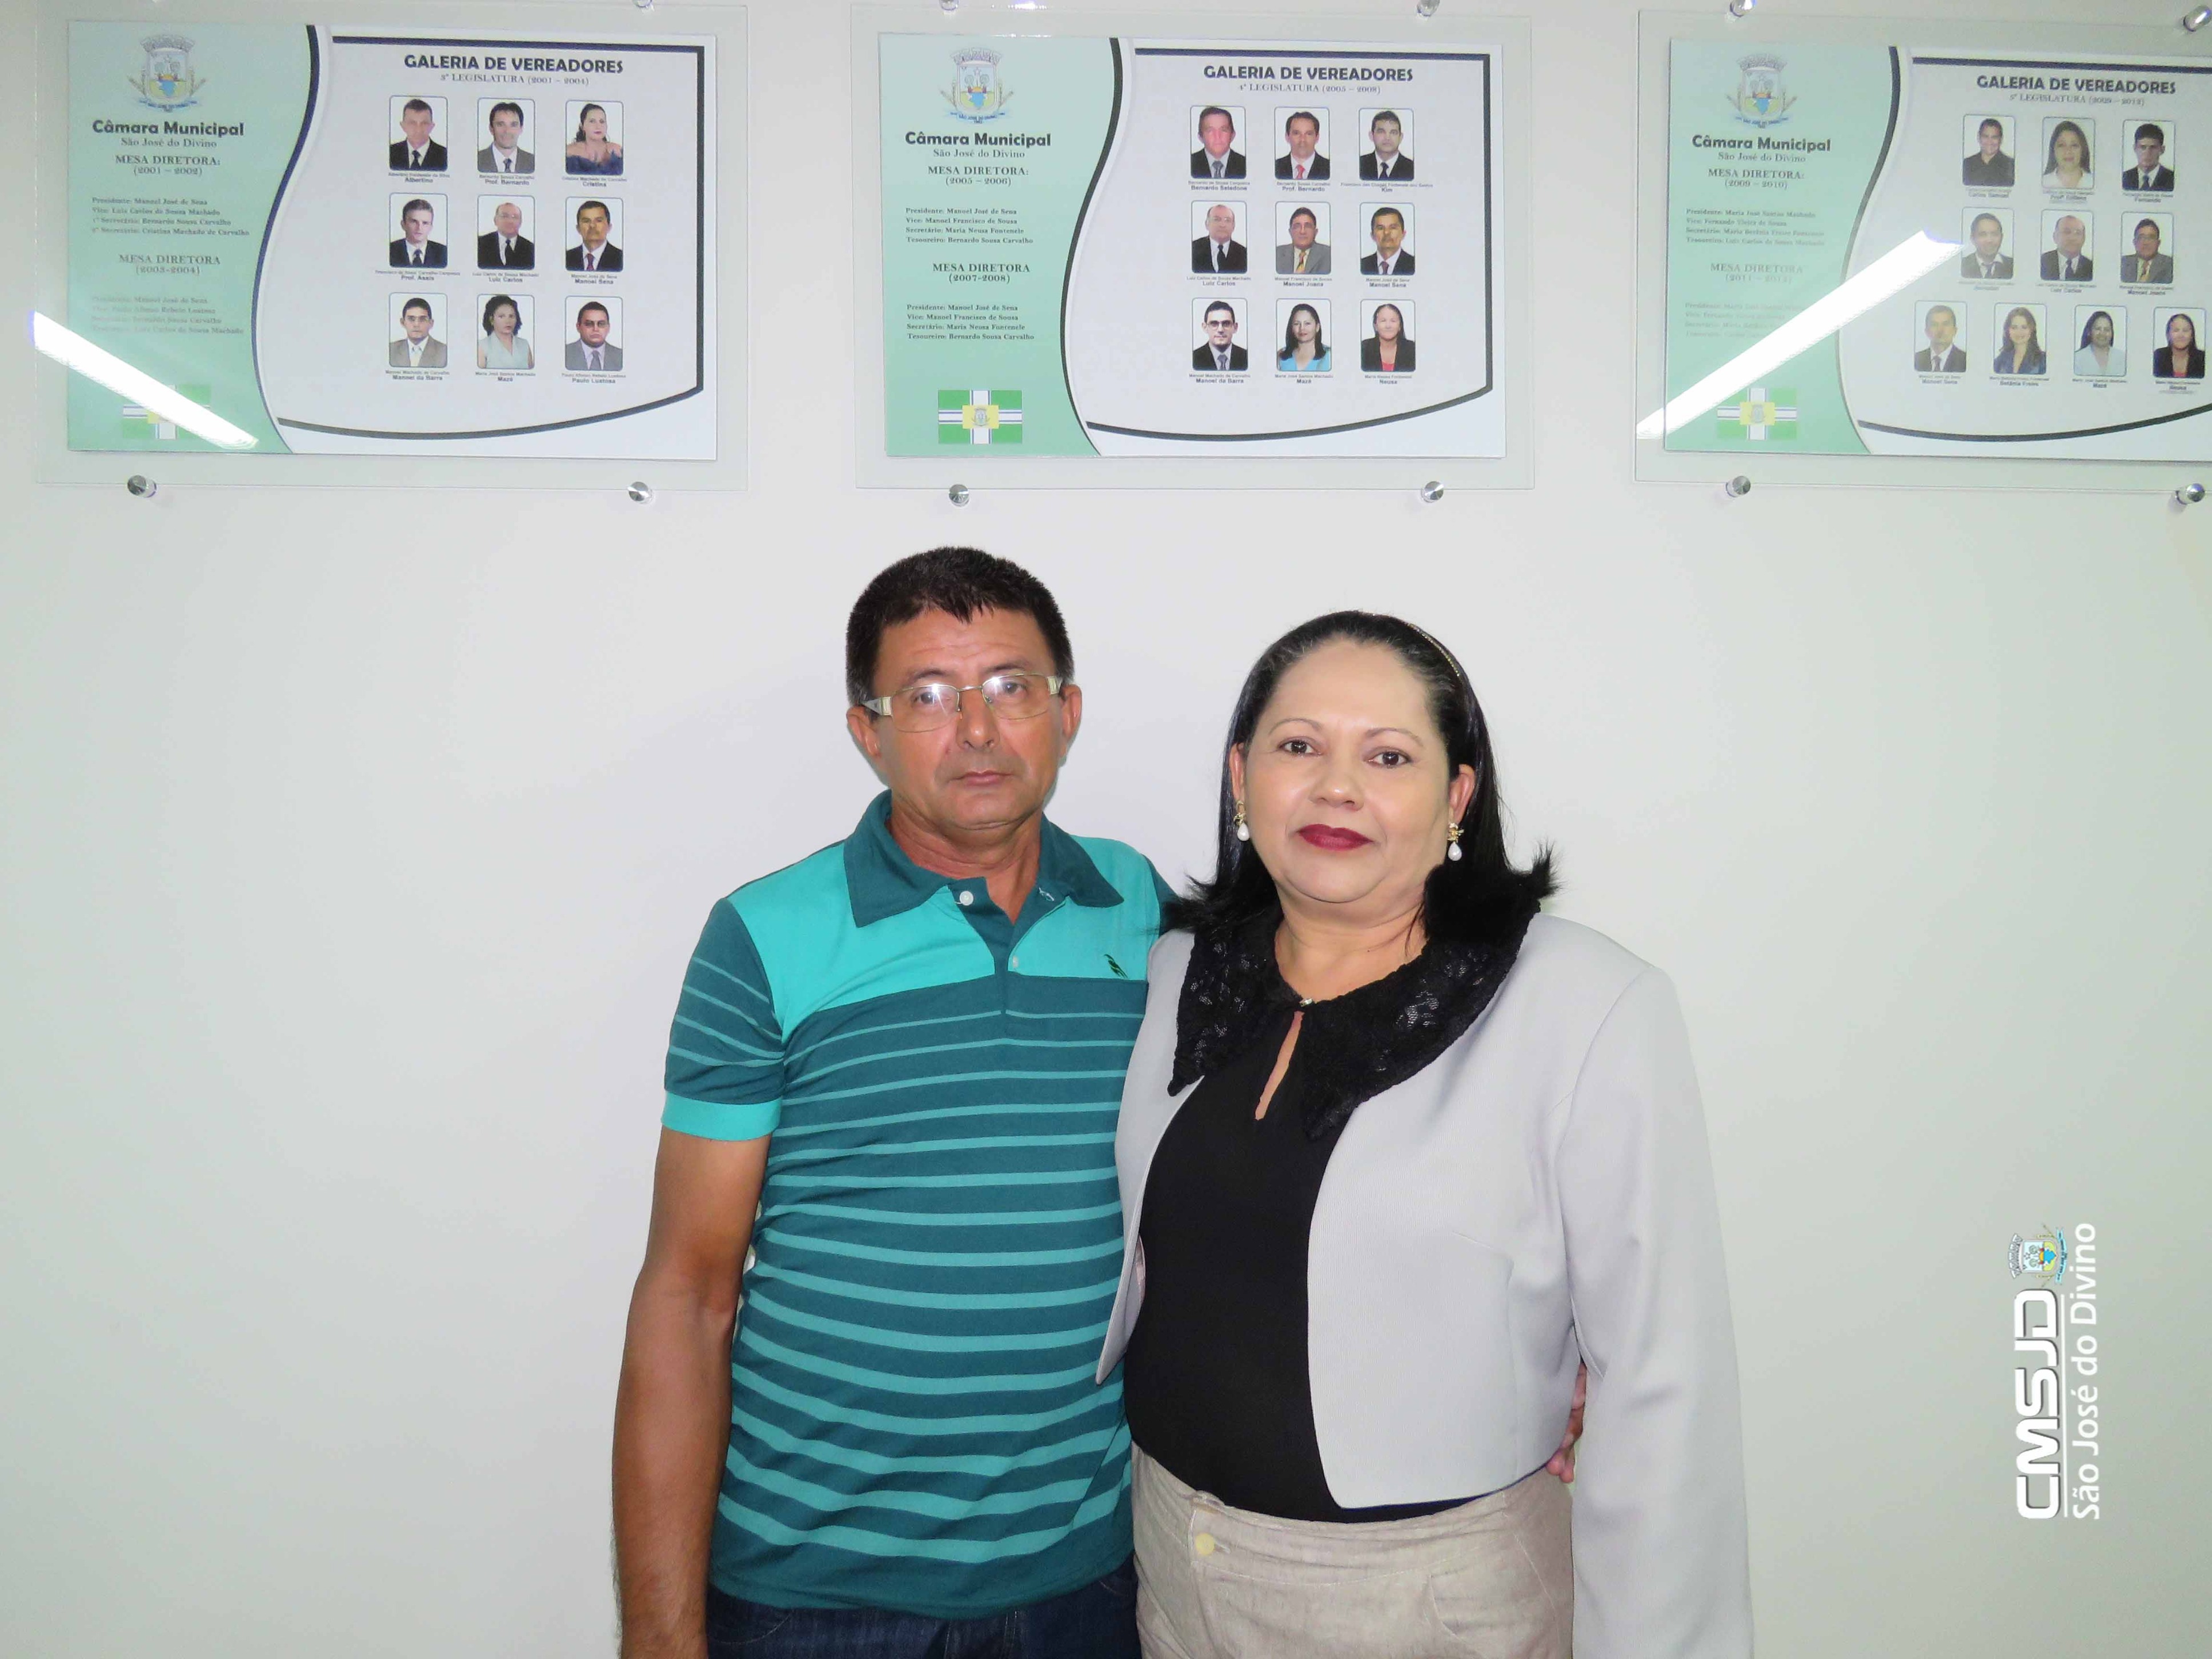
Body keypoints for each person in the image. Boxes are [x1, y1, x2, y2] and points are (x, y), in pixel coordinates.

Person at [1101, 612, 1749, 1659]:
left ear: (1457, 796)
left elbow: (1663, 1379)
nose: (1336, 788)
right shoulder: (1181, 971)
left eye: (1389, 756)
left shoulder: (1584, 1003)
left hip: (1432, 1599)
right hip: (1175, 1563)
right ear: (1241, 776)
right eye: (1299, 745)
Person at [613, 548, 1175, 1659]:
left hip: (1086, 1579)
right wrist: (660, 1633)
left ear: (1066, 713)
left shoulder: (1143, 910)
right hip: (814, 1596)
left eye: (1011, 687)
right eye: (926, 696)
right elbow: (688, 1293)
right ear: (866, 734)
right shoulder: (765, 934)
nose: (977, 729)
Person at [475, 294, 534, 370]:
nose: (508, 321)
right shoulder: (482, 346)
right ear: (491, 320)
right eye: (501, 317)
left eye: (511, 316)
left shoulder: (524, 344)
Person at [387, 297, 447, 368]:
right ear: (403, 322)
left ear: (431, 323)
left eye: (422, 319)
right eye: (411, 319)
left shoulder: (444, 352)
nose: (417, 324)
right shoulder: (391, 350)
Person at [478, 100, 534, 174]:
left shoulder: (533, 162)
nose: (507, 131)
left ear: (521, 129)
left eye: (513, 125)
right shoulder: (476, 160)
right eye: (500, 125)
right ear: (491, 129)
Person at [567, 103, 624, 174]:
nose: (598, 126)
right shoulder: (569, 151)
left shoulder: (618, 151)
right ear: (582, 126)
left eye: (602, 122)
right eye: (592, 121)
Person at [389, 98, 446, 171]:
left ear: (432, 127)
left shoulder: (445, 156)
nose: (418, 130)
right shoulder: (390, 153)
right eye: (412, 123)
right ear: (403, 126)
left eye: (424, 123)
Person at [567, 200, 624, 271]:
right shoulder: (567, 257)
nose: (592, 226)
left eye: (599, 220)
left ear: (609, 227)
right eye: (586, 221)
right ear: (578, 228)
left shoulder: (621, 258)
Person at [476, 201, 534, 270]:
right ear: (495, 220)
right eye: (504, 216)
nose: (510, 221)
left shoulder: (531, 249)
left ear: (520, 222)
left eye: (515, 217)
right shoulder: (479, 244)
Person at [388, 199, 447, 268]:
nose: (419, 228)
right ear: (403, 224)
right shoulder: (389, 250)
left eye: (425, 223)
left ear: (431, 227)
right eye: (414, 222)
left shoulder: (444, 252)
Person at [564, 302, 623, 370]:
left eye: (601, 324)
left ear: (608, 327)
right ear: (578, 327)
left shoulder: (621, 356)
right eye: (589, 324)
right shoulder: (565, 353)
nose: (596, 329)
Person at [1191, 106, 1245, 179]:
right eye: (1210, 131)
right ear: (1200, 137)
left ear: (1232, 135)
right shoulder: (1189, 163)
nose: (1217, 136)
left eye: (1224, 130)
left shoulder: (1246, 164)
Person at [1191, 203, 1247, 274]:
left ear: (1233, 226)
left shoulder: (1244, 254)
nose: (1222, 225)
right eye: (1217, 220)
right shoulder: (1193, 249)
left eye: (1227, 220)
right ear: (1207, 224)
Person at [1274, 207, 1331, 275]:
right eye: (1297, 227)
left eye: (1308, 226)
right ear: (1290, 232)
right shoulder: (1276, 254)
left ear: (1315, 232)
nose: (1302, 232)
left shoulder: (1329, 254)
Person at [1359, 303, 1415, 371]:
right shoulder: (1363, 348)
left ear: (1400, 326)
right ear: (1376, 326)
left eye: (1393, 321)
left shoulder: (1413, 349)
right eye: (1383, 321)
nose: (1388, 326)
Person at [1193, 301, 1248, 371]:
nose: (1220, 330)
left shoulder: (1247, 357)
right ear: (1205, 327)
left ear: (1235, 327)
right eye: (1214, 324)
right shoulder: (1193, 358)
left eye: (1226, 324)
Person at [1360, 110, 1413, 181]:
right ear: (1372, 136)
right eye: (1381, 132)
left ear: (1400, 138)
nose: (1387, 138)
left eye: (1393, 133)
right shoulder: (1360, 164)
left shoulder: (1412, 168)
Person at [1360, 207, 1413, 276]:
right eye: (1380, 228)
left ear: (1403, 234)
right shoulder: (1362, 265)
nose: (1387, 232)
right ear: (1372, 236)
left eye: (1393, 227)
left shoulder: (1414, 264)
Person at [1276, 111, 1329, 180]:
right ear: (1287, 137)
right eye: (1296, 133)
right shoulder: (1275, 167)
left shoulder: (1329, 168)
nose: (1303, 140)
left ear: (1317, 138)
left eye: (1309, 134)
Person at [1993, 306, 2046, 376]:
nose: (2019, 332)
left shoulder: (2043, 361)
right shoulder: (1999, 362)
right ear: (2008, 331)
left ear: (2032, 330)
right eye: (2014, 328)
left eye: (2024, 327)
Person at [2042, 120, 2093, 191]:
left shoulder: (2094, 182)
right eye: (2062, 145)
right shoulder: (2043, 182)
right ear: (2053, 150)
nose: (2068, 151)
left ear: (2083, 150)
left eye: (2074, 145)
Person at [1278, 303, 1329, 372]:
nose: (1302, 328)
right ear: (1292, 328)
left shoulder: (1330, 356)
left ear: (1317, 327)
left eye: (1307, 323)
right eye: (1297, 324)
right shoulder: (1280, 356)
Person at [2123, 122, 2174, 192]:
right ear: (2135, 148)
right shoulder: (2124, 178)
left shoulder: (2173, 179)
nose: (2148, 153)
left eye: (2153, 147)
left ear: (2162, 150)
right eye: (2143, 147)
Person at [1960, 213, 2013, 280]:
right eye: (1983, 235)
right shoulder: (1962, 265)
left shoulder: (2013, 265)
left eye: (1995, 234)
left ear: (2002, 237)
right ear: (1973, 239)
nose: (1989, 240)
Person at [1914, 304, 1965, 372]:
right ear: (1927, 331)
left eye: (1946, 324)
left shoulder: (1965, 360)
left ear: (1955, 331)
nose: (1940, 330)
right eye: (1934, 325)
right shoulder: (1916, 359)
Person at [2039, 215, 2091, 282]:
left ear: (2084, 239)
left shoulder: (2091, 267)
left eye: (2078, 233)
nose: (2072, 238)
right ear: (2055, 237)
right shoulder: (2042, 262)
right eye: (2067, 232)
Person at [1963, 118, 2013, 187]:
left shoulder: (2011, 166)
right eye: (1986, 137)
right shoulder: (1967, 165)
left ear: (2001, 139)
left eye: (1994, 137)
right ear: (1979, 137)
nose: (1990, 142)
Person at [2154, 311, 2204, 378]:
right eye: (2176, 330)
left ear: (2192, 335)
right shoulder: (2158, 356)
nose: (2181, 335)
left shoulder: (2203, 359)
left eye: (2185, 331)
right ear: (2168, 335)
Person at [2122, 219, 2174, 284]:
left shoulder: (2170, 265)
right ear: (2135, 242)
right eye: (2141, 238)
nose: (2146, 243)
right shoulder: (2123, 263)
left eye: (2151, 238)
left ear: (2158, 243)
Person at [2074, 311, 2123, 378]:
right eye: (2098, 329)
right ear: (2089, 332)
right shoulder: (2077, 359)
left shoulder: (2123, 358)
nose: (2102, 333)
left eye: (2107, 330)